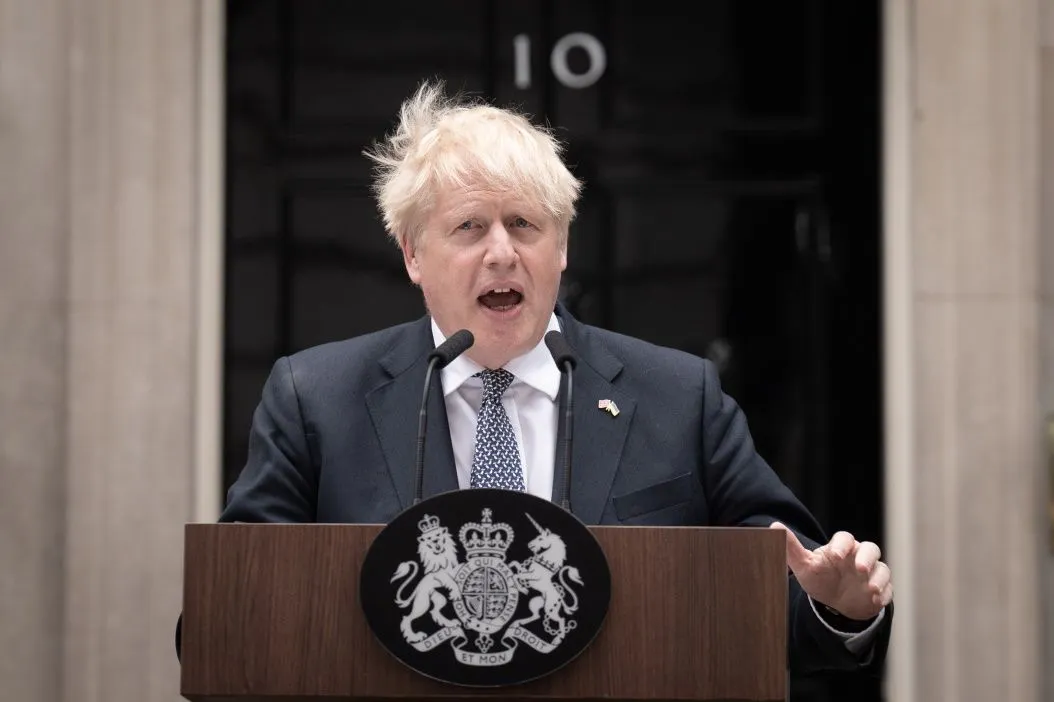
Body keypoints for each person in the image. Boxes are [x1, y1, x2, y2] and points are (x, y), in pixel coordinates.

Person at [219, 80, 894, 674]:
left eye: (523, 224)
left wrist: (839, 606)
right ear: (413, 253)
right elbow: (227, 621)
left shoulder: (679, 399)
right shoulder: (316, 399)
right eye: (469, 227)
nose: (503, 253)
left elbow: (783, 593)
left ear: (562, 247)